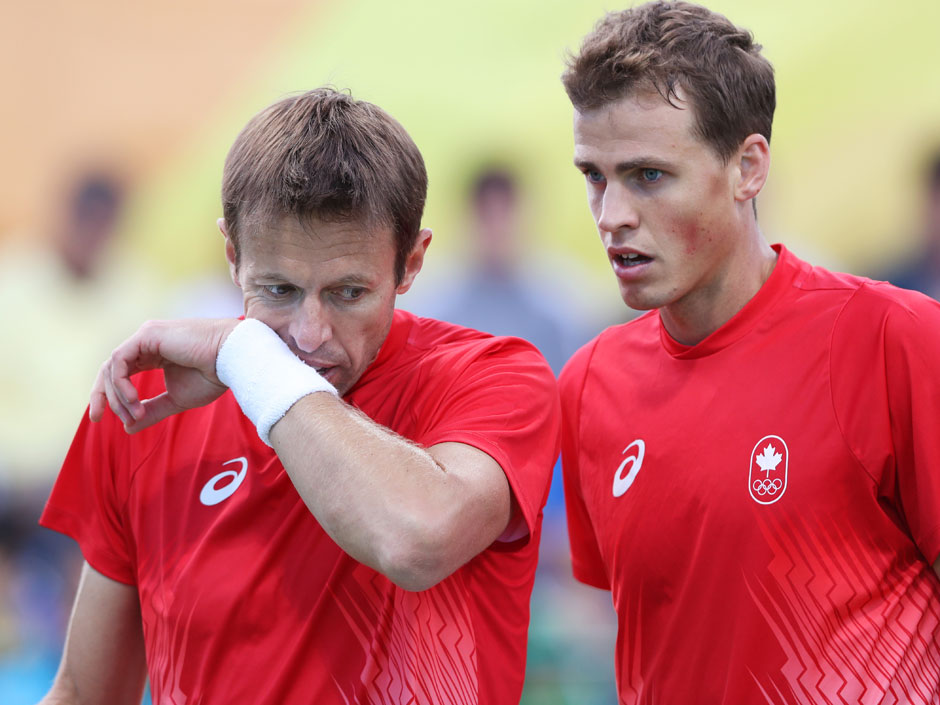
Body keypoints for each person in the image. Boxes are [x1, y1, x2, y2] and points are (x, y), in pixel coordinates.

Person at [37, 88, 560, 705]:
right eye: (278, 289)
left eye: (347, 293)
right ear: (232, 255)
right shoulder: (147, 409)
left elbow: (416, 540)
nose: (309, 336)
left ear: (411, 262)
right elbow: (84, 693)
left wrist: (248, 359)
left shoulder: (495, 377)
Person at [557, 2, 940, 703]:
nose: (611, 215)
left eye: (648, 175)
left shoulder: (891, 340)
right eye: (594, 176)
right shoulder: (589, 384)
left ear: (748, 168)